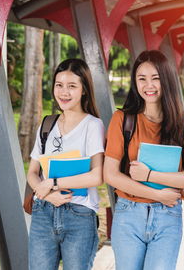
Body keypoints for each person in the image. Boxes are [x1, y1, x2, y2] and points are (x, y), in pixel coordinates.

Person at [104, 50, 184, 270]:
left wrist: (150, 175)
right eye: (142, 79)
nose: (148, 85)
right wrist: (156, 193)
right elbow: (110, 174)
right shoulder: (122, 120)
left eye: (155, 78)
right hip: (128, 213)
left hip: (168, 216)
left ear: (166, 80)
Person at [27, 58, 105, 270]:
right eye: (59, 85)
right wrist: (46, 192)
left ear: (84, 90)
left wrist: (53, 183)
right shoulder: (46, 124)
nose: (64, 92)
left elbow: (98, 175)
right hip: (43, 211)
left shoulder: (93, 125)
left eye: (72, 86)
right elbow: (33, 173)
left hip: (79, 216)